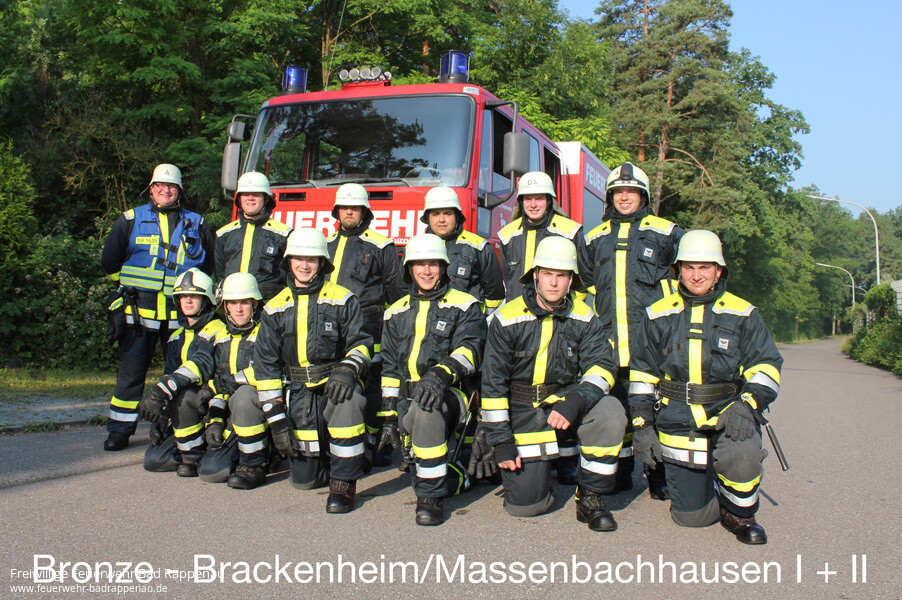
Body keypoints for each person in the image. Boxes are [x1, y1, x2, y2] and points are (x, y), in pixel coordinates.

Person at [628, 230, 783, 544]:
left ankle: (739, 513)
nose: (697, 275)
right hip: (677, 418)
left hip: (730, 414)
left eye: (705, 267)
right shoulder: (656, 315)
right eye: (689, 267)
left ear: (719, 271)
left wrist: (748, 405)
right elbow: (642, 374)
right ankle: (709, 483)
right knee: (691, 519)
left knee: (741, 456)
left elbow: (766, 367)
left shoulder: (744, 314)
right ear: (678, 271)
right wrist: (642, 426)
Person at [477, 236, 626, 530]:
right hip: (523, 409)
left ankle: (590, 496)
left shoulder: (585, 317)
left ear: (571, 279)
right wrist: (501, 439)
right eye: (547, 274)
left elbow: (603, 367)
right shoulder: (505, 318)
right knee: (526, 506)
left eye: (562, 275)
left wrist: (577, 400)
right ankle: (544, 467)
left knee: (610, 411)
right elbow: (493, 384)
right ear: (535, 275)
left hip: (566, 403)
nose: (554, 283)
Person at [580, 162, 684, 498]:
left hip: (655, 345)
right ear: (610, 197)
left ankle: (659, 476)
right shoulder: (594, 238)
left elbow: (692, 282)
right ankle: (621, 473)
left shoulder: (668, 233)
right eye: (618, 192)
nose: (625, 197)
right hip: (611, 345)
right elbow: (587, 287)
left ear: (643, 196)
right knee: (619, 411)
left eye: (631, 192)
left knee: (658, 410)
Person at [254, 228, 373, 512]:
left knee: (349, 401)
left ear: (322, 263)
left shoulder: (344, 299)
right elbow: (266, 366)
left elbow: (361, 343)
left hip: (336, 386)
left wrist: (348, 369)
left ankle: (344, 482)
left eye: (311, 259)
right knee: (304, 480)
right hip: (298, 395)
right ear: (289, 262)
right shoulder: (274, 308)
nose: (304, 265)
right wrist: (276, 419)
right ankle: (329, 460)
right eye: (298, 259)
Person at [102, 163, 214, 451]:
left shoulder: (197, 223)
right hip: (139, 314)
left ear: (179, 191)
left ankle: (174, 427)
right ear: (151, 189)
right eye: (160, 186)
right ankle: (119, 430)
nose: (166, 190)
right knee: (131, 374)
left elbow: (210, 266)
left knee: (179, 371)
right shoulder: (130, 219)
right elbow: (109, 261)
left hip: (180, 316)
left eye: (172, 186)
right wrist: (127, 287)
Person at [380, 234, 486, 525]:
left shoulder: (466, 305)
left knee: (427, 410)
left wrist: (441, 374)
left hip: (450, 395)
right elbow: (389, 368)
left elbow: (471, 349)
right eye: (419, 264)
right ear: (409, 269)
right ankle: (456, 477)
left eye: (433, 264)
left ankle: (430, 499)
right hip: (406, 400)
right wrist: (389, 416)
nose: (426, 271)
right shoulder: (395, 312)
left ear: (444, 267)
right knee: (424, 469)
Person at [326, 183, 405, 465]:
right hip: (330, 324)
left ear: (364, 211)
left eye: (355, 208)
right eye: (344, 208)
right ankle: (341, 440)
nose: (349, 212)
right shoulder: (325, 245)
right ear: (337, 211)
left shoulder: (381, 246)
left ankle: (374, 440)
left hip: (369, 323)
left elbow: (397, 292)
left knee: (372, 382)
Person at [139, 268, 226, 477]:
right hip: (184, 411)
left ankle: (195, 455)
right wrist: (162, 416)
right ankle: (191, 449)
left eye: (194, 296)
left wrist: (163, 390)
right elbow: (169, 373)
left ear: (206, 299)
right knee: (154, 461)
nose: (187, 300)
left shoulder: (218, 330)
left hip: (213, 404)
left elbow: (201, 364)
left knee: (186, 395)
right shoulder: (176, 337)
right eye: (183, 296)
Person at [195, 272, 266, 487]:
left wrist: (227, 382)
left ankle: (255, 463)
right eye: (233, 303)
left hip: (262, 410)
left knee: (244, 396)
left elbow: (268, 371)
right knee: (211, 472)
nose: (239, 309)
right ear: (225, 306)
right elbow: (220, 386)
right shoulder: (220, 336)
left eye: (244, 302)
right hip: (232, 412)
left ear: (255, 304)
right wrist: (215, 421)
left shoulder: (267, 332)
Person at [497, 171, 585, 302]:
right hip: (518, 311)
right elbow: (506, 278)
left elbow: (582, 279)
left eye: (539, 199)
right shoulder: (507, 235)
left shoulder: (570, 232)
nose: (533, 205)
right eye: (528, 199)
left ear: (549, 201)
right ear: (521, 202)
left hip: (557, 310)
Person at [420, 186, 504, 314]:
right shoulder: (416, 248)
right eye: (435, 214)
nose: (441, 219)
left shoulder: (479, 247)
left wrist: (479, 319)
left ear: (457, 216)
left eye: (447, 213)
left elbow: (494, 294)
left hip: (467, 322)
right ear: (428, 217)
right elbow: (403, 289)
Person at [214, 171, 292, 301]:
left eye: (256, 194)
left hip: (269, 305)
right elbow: (220, 274)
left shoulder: (284, 234)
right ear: (239, 198)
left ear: (266, 198)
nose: (250, 198)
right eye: (245, 194)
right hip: (234, 304)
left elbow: (290, 277)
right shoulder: (224, 234)